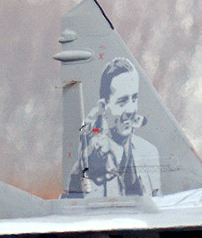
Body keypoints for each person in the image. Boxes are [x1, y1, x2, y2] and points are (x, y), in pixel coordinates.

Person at [68, 58, 161, 197]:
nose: (131, 110)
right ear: (103, 107)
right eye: (122, 101)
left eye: (134, 99)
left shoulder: (148, 153)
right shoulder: (89, 162)